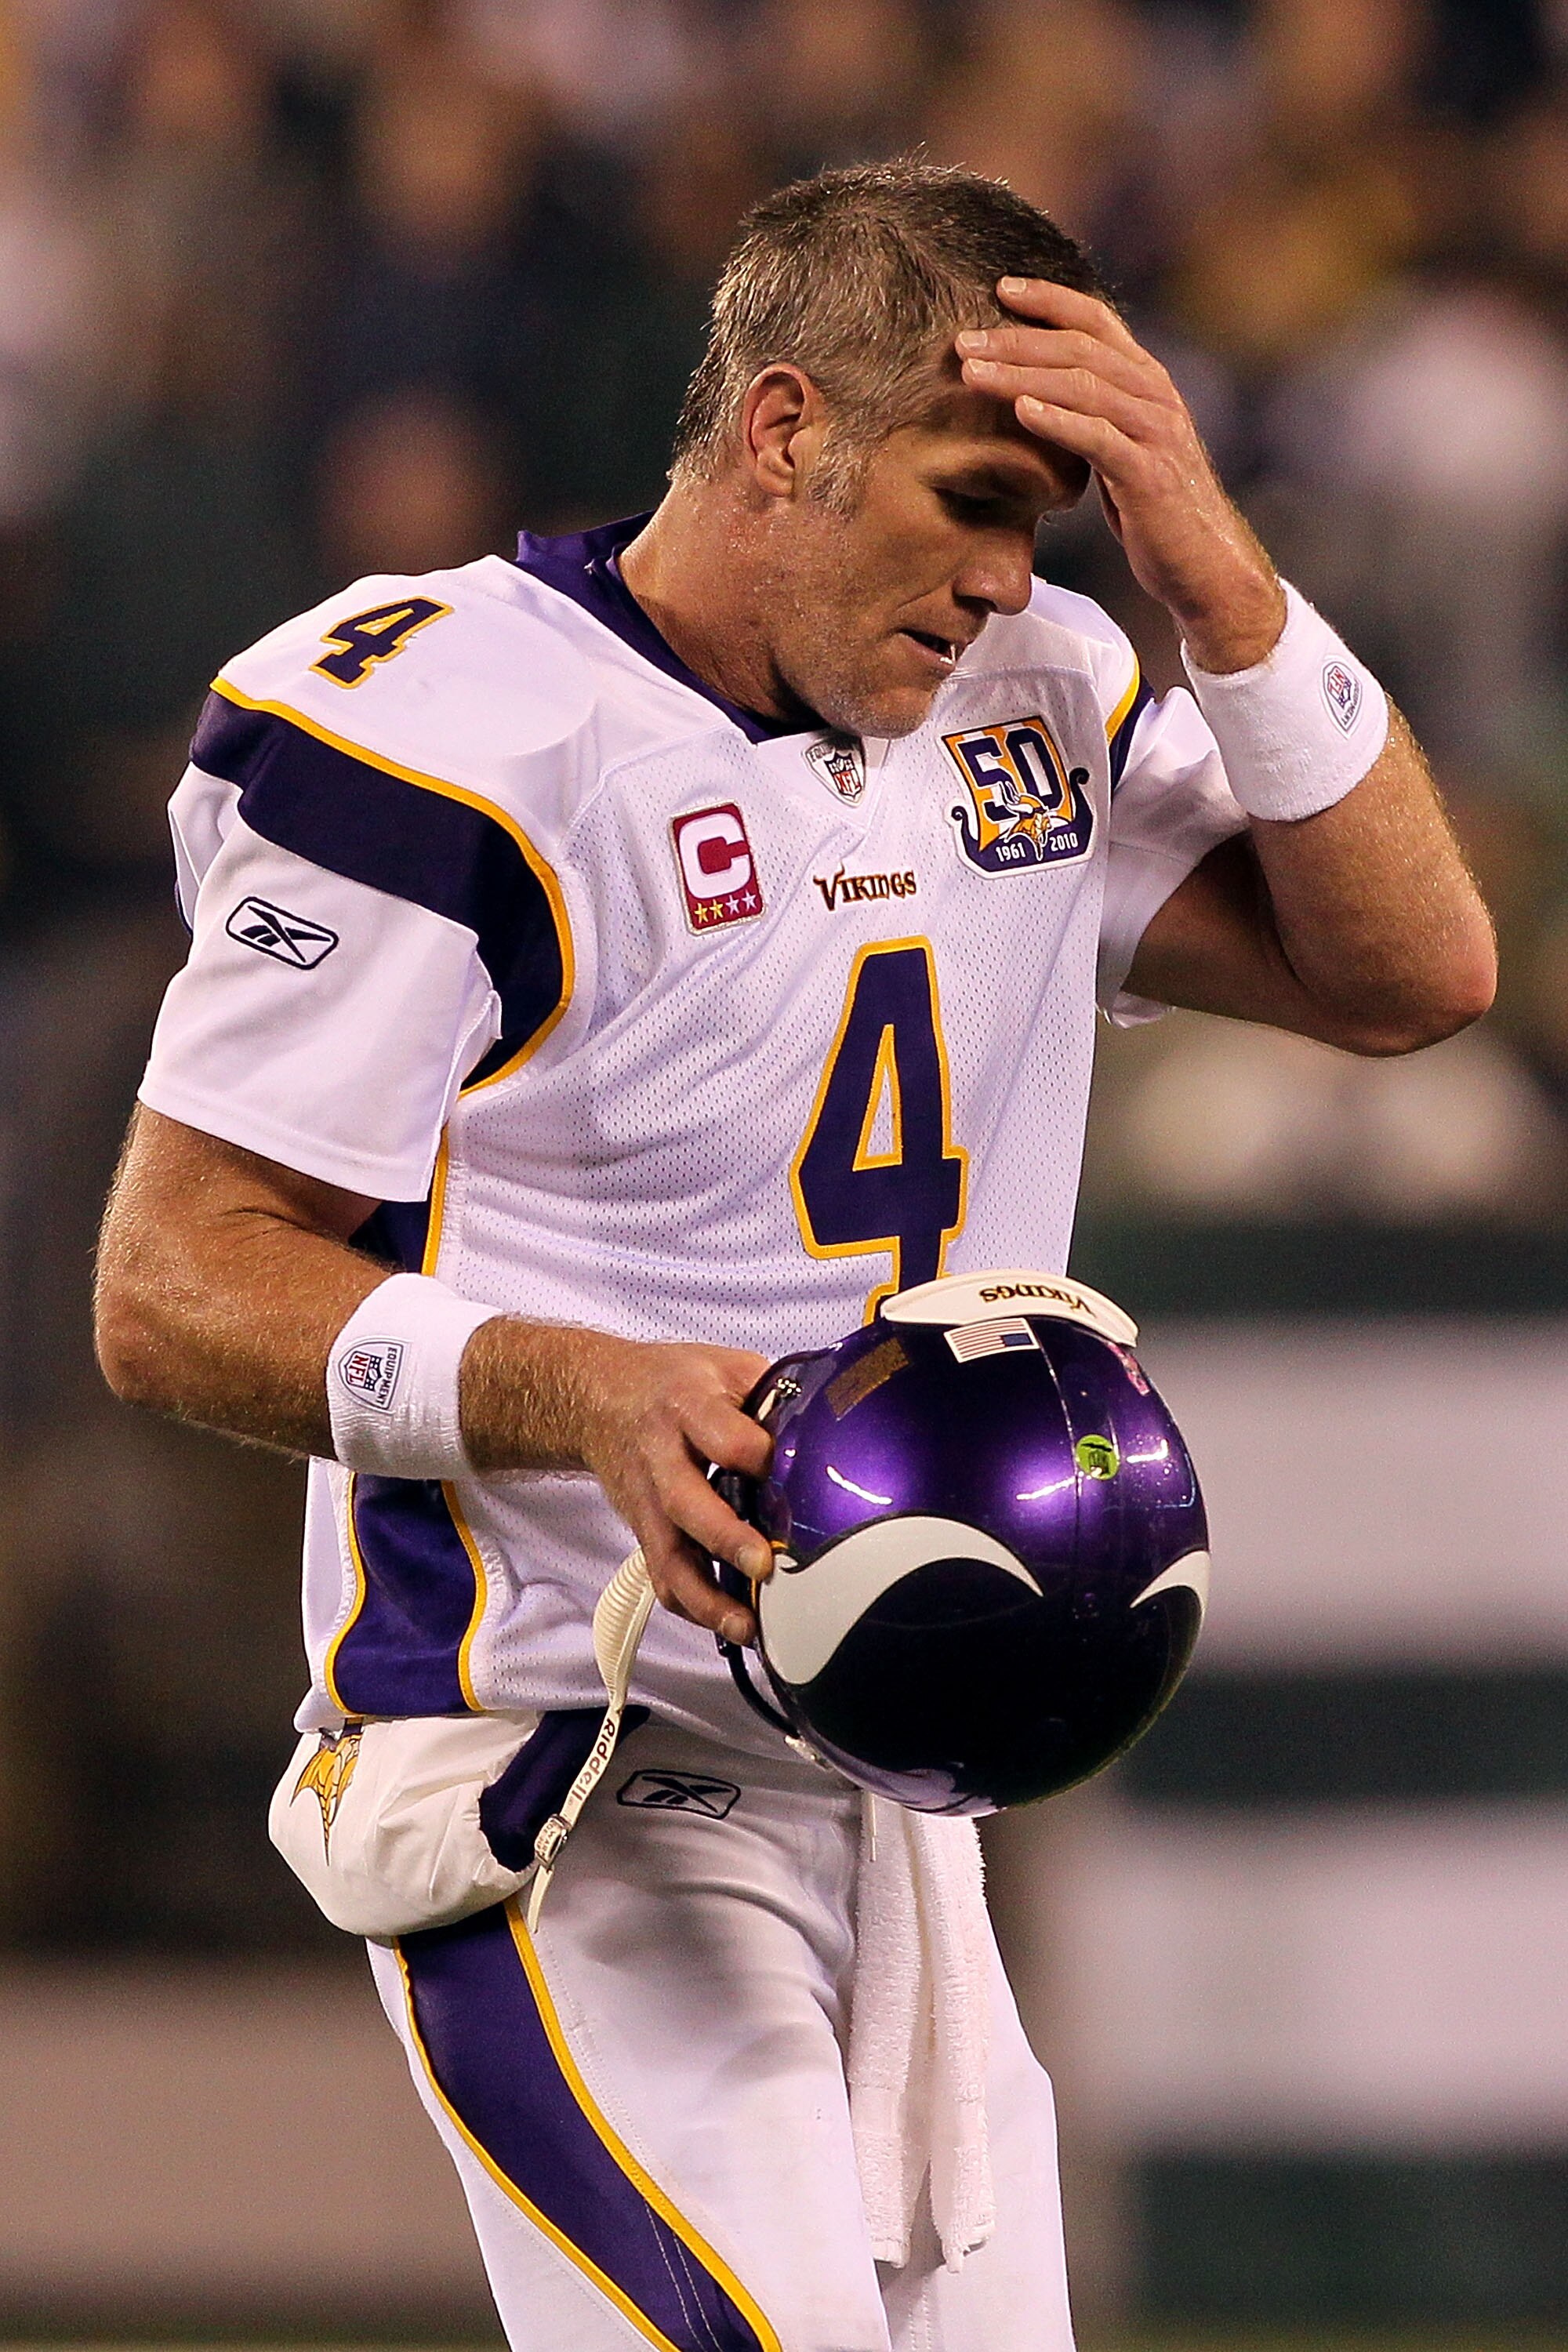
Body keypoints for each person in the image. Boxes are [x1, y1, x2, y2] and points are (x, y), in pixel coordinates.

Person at [93, 162, 1494, 2352]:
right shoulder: (458, 729)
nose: (1008, 573)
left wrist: (1220, 577)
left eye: (1055, 512)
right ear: (780, 428)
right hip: (561, 1766)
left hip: (892, 1789)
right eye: (973, 495)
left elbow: (1418, 970)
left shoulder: (1041, 691)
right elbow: (171, 1284)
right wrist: (582, 1388)